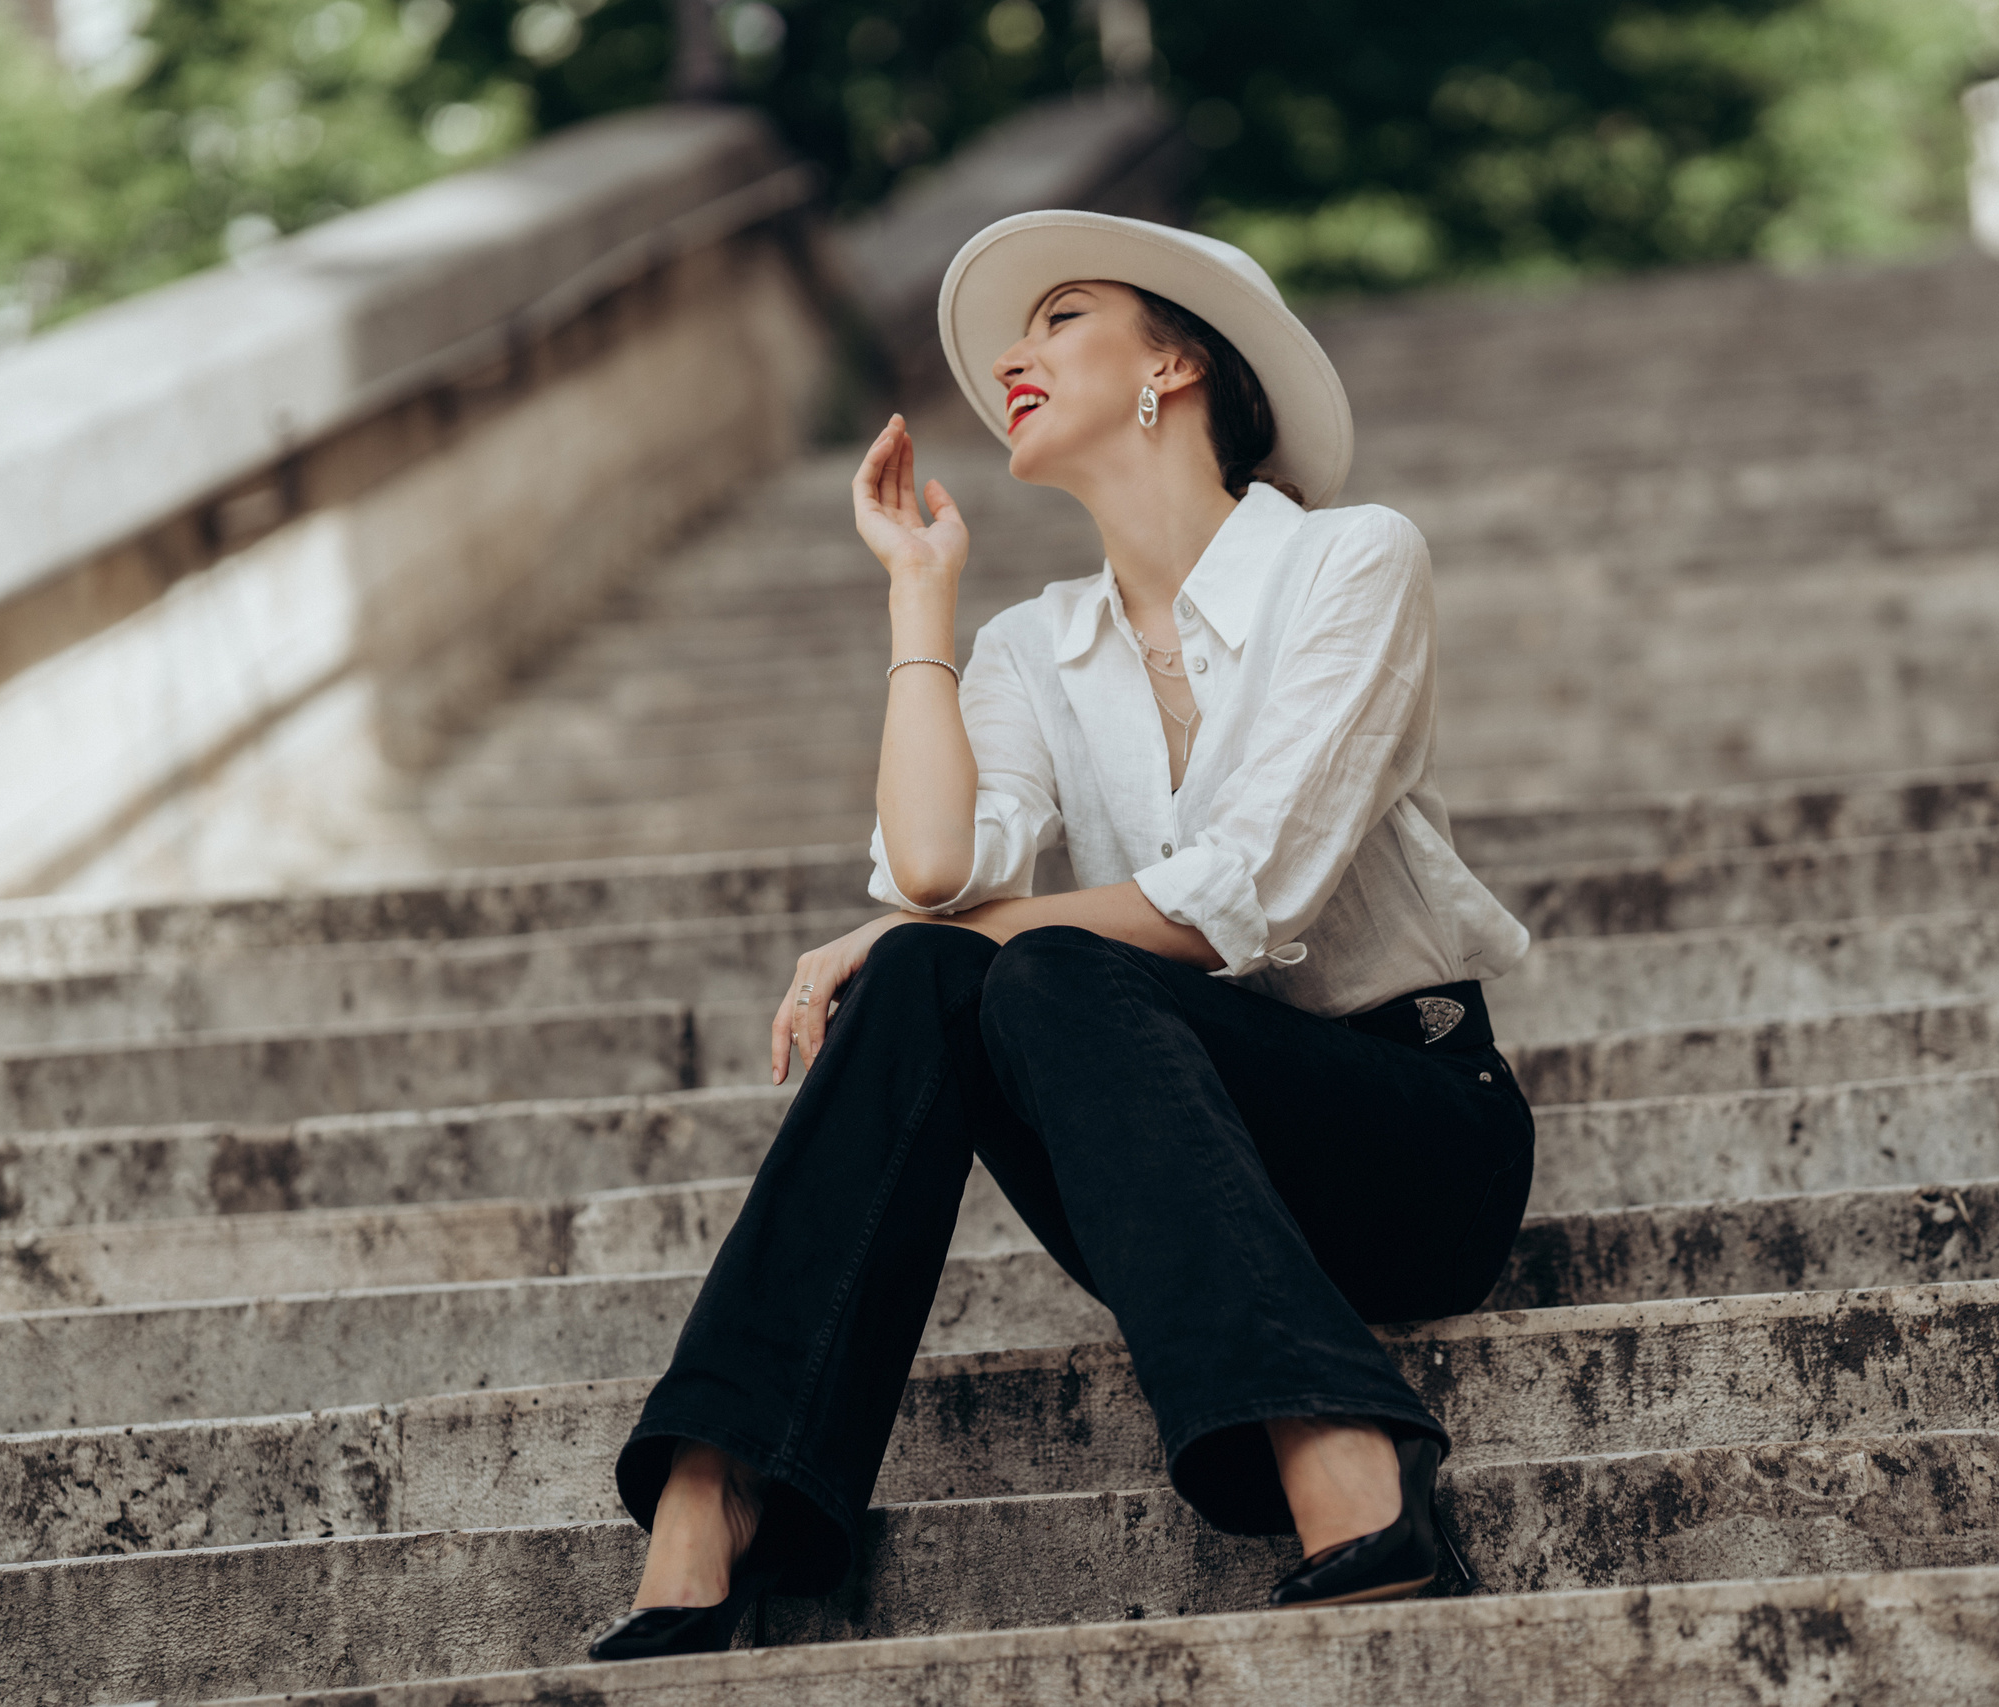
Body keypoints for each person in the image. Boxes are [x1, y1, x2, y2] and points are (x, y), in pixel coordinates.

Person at [588, 210, 1534, 1661]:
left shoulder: (1350, 562)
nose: (1012, 360)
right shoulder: (1037, 645)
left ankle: (1353, 1461)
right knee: (937, 963)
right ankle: (717, 1487)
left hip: (1406, 1138)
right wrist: (921, 598)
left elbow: (1246, 896)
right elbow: (928, 865)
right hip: (1167, 1169)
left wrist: (936, 934)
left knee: (1007, 959)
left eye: (1061, 319)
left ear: (1176, 362)